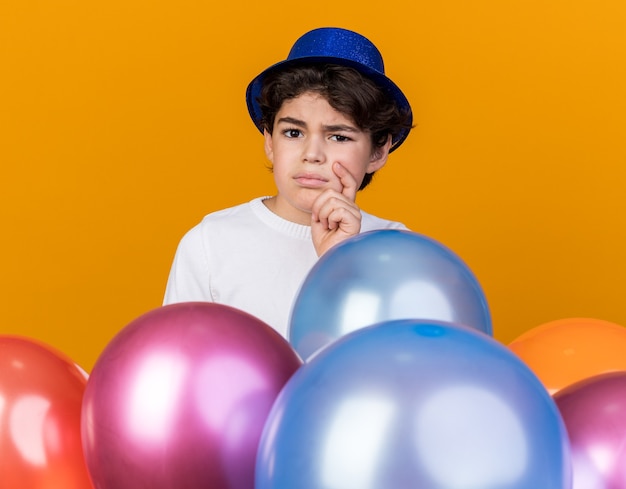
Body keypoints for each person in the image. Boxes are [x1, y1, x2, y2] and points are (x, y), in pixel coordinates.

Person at [163, 27, 414, 338]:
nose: (312, 155)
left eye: (338, 136)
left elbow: (399, 372)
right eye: (293, 133)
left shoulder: (399, 250)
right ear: (269, 140)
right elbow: (180, 368)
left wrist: (341, 264)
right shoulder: (210, 244)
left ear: (378, 151)